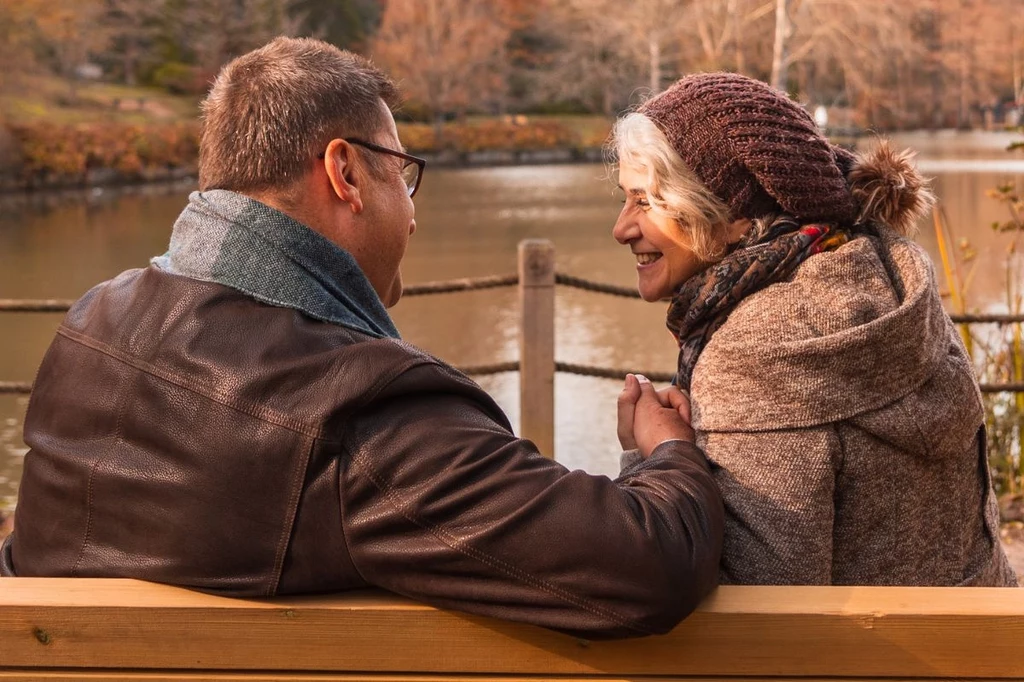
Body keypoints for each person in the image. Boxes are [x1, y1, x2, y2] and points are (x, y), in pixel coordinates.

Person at [0, 38, 725, 639]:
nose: (411, 218)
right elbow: (649, 562)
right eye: (403, 178)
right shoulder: (358, 410)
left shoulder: (91, 324)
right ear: (345, 173)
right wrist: (666, 448)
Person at [611, 72, 1017, 587]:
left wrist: (655, 456)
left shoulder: (758, 348)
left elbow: (753, 606)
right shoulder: (887, 273)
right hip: (982, 640)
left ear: (737, 215)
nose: (621, 228)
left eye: (645, 201)